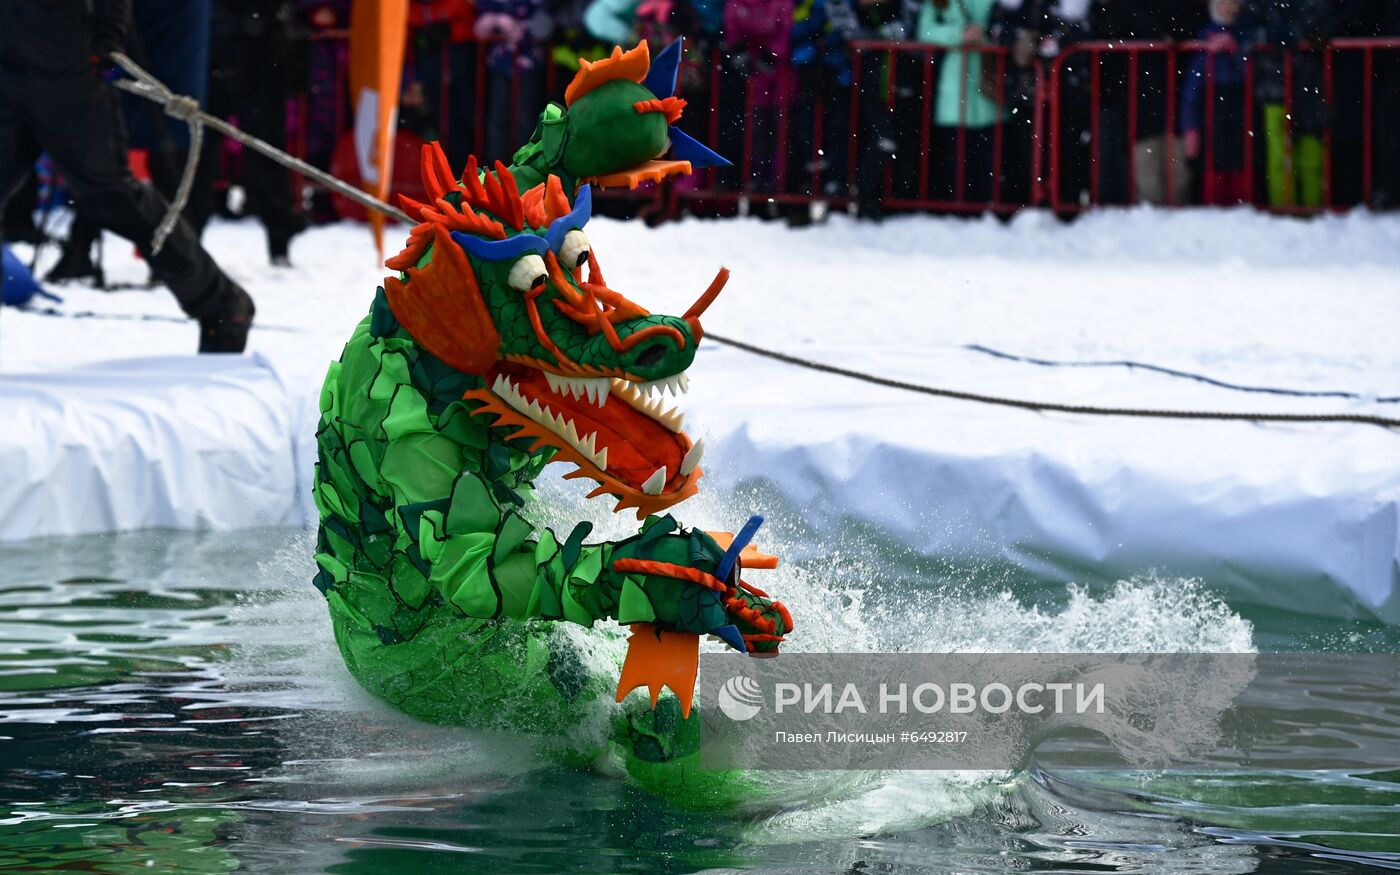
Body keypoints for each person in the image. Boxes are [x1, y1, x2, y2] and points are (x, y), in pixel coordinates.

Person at [0, 0, 255, 352]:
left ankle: (221, 303)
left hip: (67, 67)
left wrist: (109, 31)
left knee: (113, 197)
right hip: (8, 61)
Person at [918, 0, 1004, 205]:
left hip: (990, 78)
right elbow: (924, 31)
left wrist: (987, 35)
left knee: (989, 153)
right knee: (956, 155)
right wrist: (959, 35)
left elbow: (1013, 23)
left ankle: (986, 205)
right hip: (958, 81)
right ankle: (956, 205)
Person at [1181, 0, 1253, 206]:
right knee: (1214, 163)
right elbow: (1191, 90)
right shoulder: (1203, 38)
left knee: (1241, 161)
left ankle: (1242, 206)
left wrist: (1237, 50)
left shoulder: (1248, 33)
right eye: (1222, 3)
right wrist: (1190, 128)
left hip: (1240, 108)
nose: (1228, 8)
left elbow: (1254, 74)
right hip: (1212, 110)